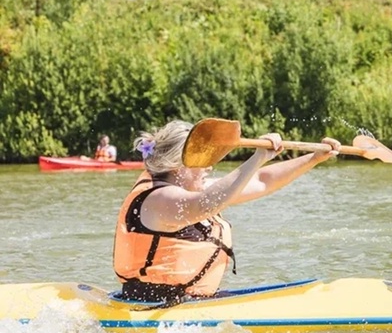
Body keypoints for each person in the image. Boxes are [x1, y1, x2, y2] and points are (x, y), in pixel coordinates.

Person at [113, 120, 342, 304]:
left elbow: (261, 181)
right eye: (203, 160)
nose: (209, 167)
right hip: (151, 307)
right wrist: (258, 157)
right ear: (175, 166)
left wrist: (313, 159)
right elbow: (205, 204)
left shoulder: (192, 188)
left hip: (187, 303)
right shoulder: (158, 199)